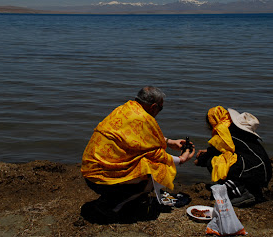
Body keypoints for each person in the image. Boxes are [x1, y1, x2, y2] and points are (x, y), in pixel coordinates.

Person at [81, 86, 195, 221]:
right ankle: (111, 206)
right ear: (153, 106)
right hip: (101, 180)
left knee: (143, 162)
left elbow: (137, 138)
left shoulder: (125, 109)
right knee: (156, 169)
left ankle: (119, 196)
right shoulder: (144, 118)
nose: (159, 111)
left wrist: (170, 142)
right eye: (161, 108)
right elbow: (156, 155)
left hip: (89, 171)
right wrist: (181, 159)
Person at [195, 106, 272, 207]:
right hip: (263, 171)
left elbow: (214, 152)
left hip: (256, 172)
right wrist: (208, 151)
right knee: (225, 159)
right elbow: (226, 148)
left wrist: (199, 161)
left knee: (213, 162)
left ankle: (243, 192)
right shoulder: (236, 131)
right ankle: (250, 189)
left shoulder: (224, 132)